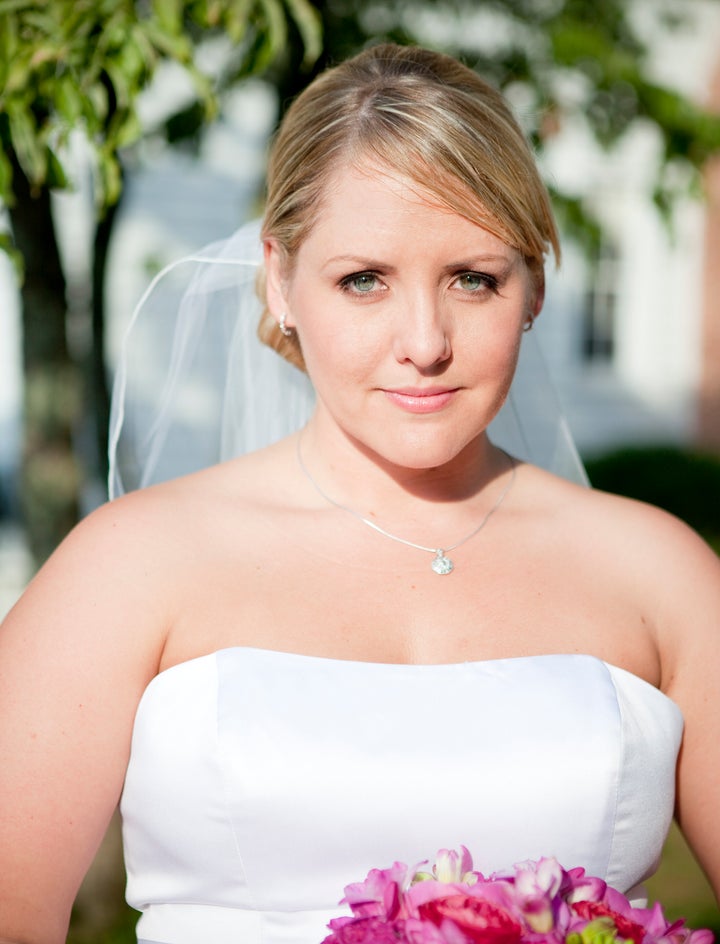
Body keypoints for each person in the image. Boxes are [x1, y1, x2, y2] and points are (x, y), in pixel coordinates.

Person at [1, 42, 719, 944]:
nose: (424, 341)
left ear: (533, 285)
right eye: (364, 280)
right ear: (279, 279)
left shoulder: (662, 574)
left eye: (473, 278)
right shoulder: (129, 566)